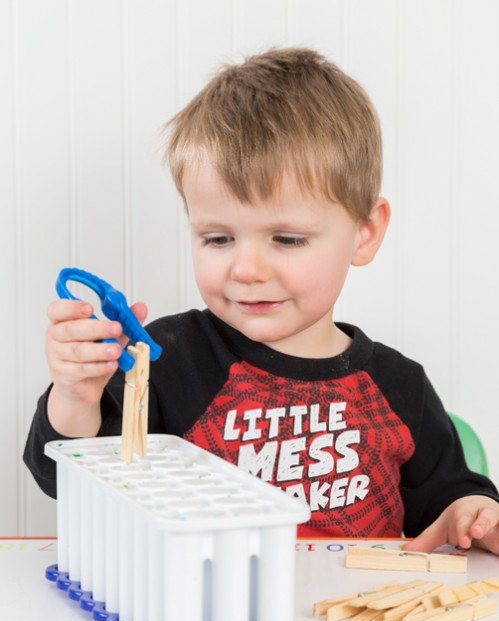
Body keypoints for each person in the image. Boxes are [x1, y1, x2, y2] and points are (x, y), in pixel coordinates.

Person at [24, 47, 499, 554]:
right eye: (218, 239)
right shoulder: (165, 358)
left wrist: (472, 513)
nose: (246, 270)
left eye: (287, 239)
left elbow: (453, 503)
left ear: (364, 233)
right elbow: (69, 480)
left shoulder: (399, 386)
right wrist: (77, 396)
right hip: (204, 619)